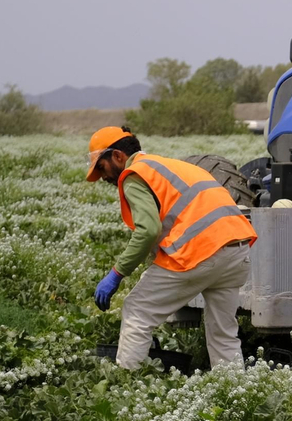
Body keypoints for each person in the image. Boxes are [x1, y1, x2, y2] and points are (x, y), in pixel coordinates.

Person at [85, 126, 256, 370]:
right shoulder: (167, 166)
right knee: (223, 334)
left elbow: (148, 230)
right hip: (237, 251)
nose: (103, 177)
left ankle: (126, 382)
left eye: (101, 168)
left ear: (118, 156)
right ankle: (233, 393)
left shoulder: (134, 175)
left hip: (201, 254)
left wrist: (117, 273)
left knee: (137, 310)